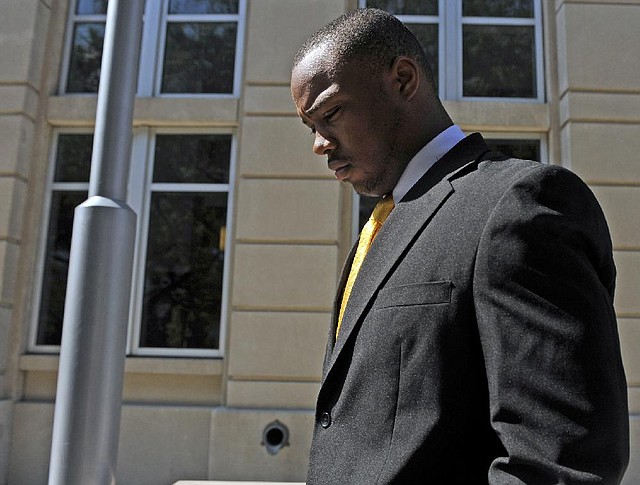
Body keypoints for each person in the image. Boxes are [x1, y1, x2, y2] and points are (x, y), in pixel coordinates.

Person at [290, 8, 629, 485]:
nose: (319, 145)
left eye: (330, 113)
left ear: (403, 80)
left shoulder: (520, 206)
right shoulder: (380, 229)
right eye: (310, 127)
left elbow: (559, 462)